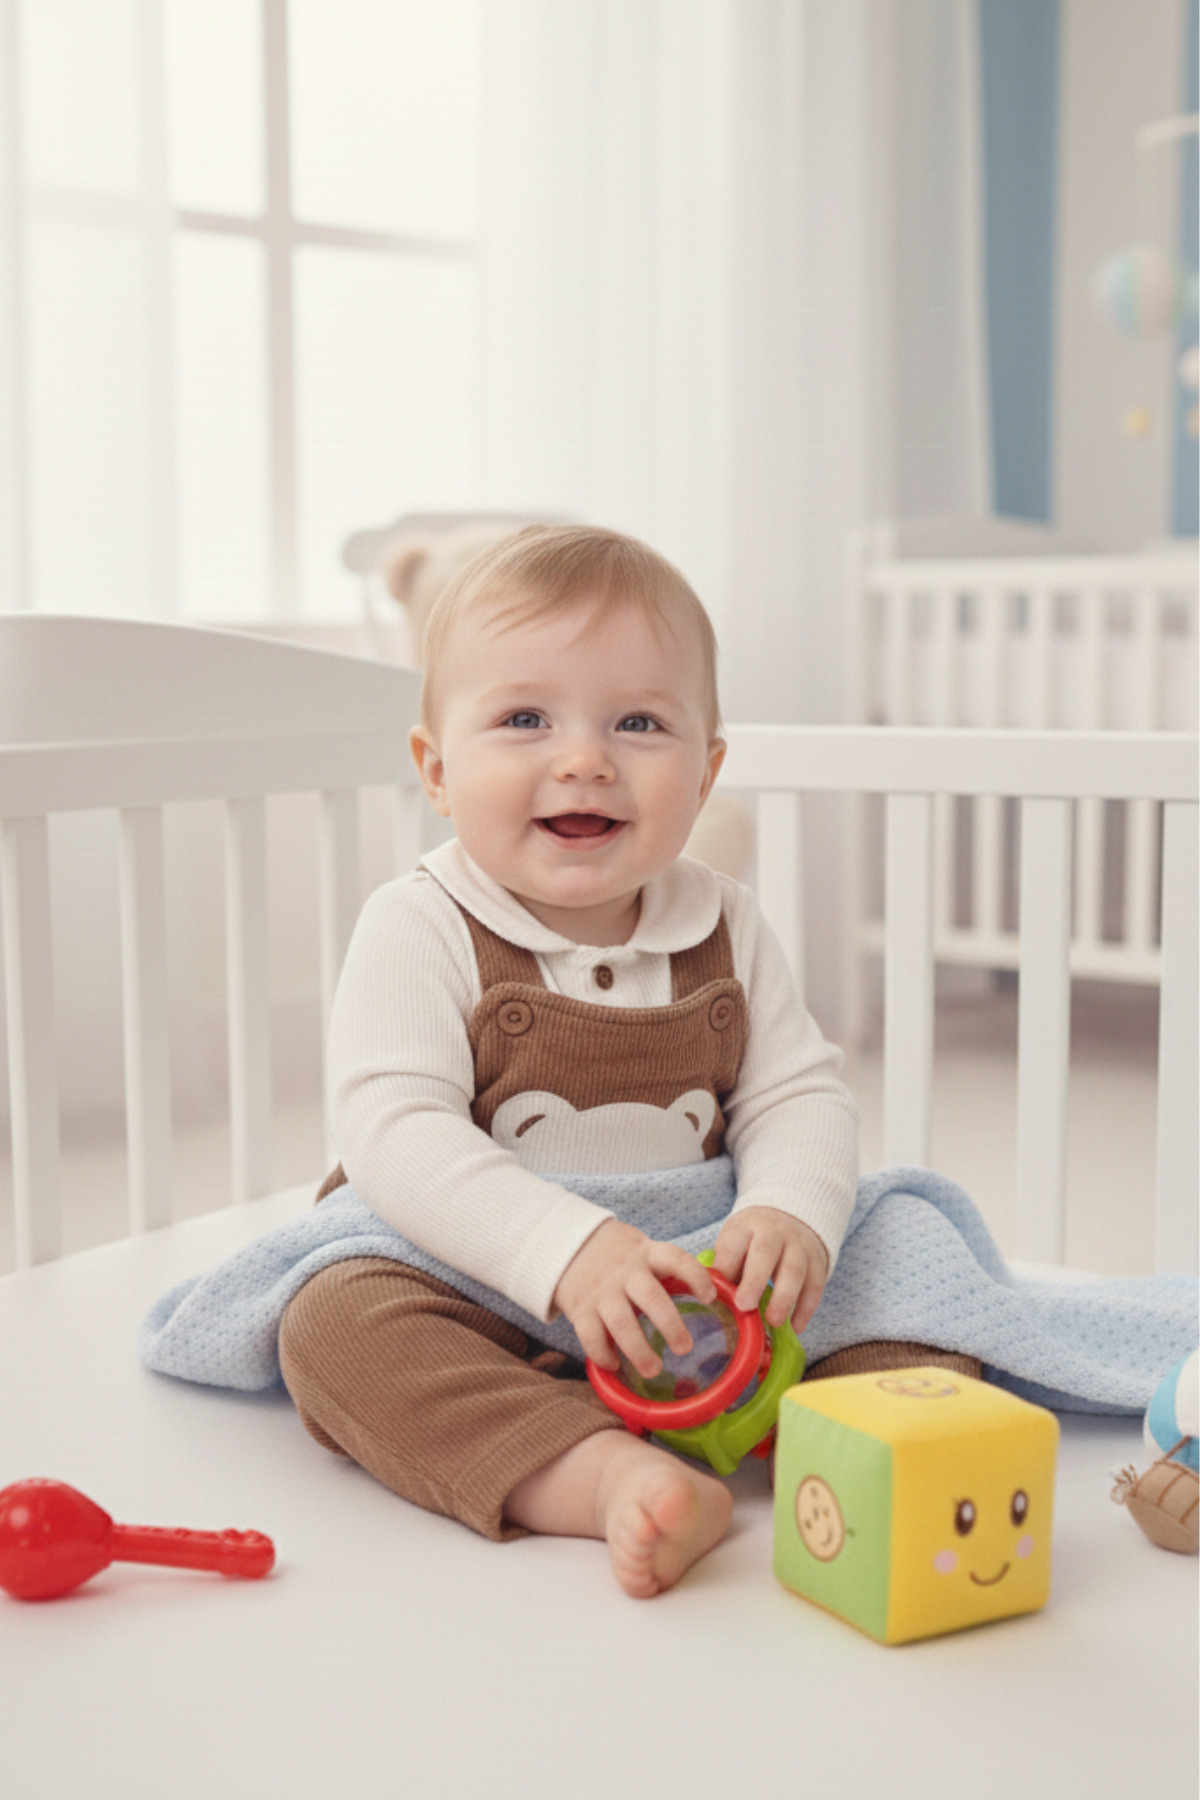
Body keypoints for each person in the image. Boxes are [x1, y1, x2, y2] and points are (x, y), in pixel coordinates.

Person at [278, 524, 859, 1597]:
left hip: (705, 1277)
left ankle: (854, 1433)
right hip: (480, 1277)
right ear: (438, 772)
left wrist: (789, 1213)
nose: (584, 756)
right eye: (524, 719)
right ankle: (597, 1475)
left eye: (639, 721)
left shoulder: (726, 920)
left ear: (707, 770)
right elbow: (392, 1133)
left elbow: (797, 1091)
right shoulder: (420, 923)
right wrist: (569, 1253)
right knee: (333, 1325)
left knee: (891, 1237)